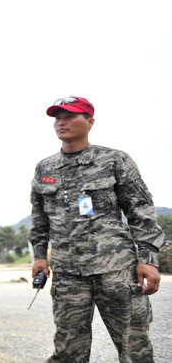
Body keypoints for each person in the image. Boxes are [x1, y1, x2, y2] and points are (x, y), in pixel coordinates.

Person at [29, 96, 165, 362]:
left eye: (70, 116)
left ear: (90, 122)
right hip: (68, 274)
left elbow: (141, 211)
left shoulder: (114, 160)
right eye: (58, 117)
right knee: (68, 351)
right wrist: (39, 256)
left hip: (117, 271)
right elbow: (39, 218)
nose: (61, 122)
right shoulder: (45, 168)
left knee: (134, 348)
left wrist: (148, 260)